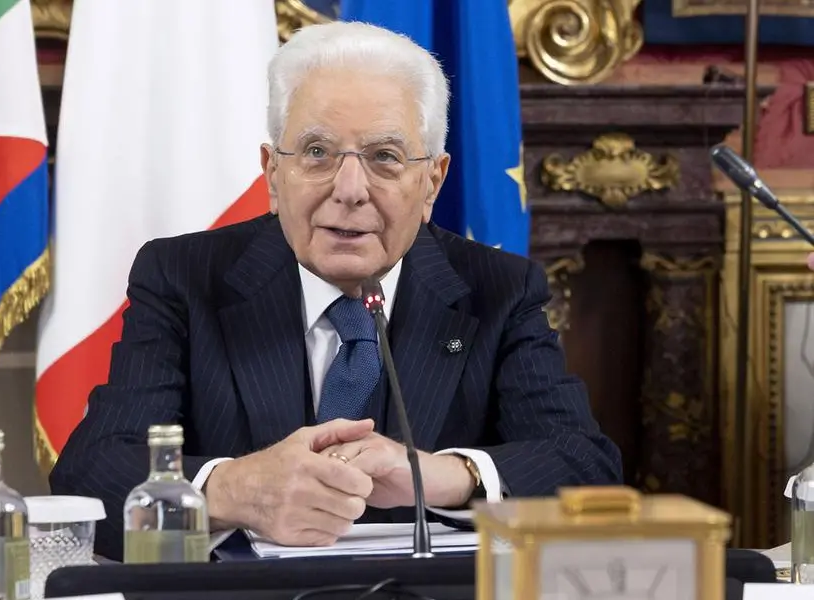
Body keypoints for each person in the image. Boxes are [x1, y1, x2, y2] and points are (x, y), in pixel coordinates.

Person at [49, 21, 623, 561]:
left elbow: (587, 470)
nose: (349, 190)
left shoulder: (496, 290)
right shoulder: (184, 277)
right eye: (318, 153)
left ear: (433, 182)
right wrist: (235, 490)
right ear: (273, 174)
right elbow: (89, 475)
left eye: (385, 158)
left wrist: (442, 475)